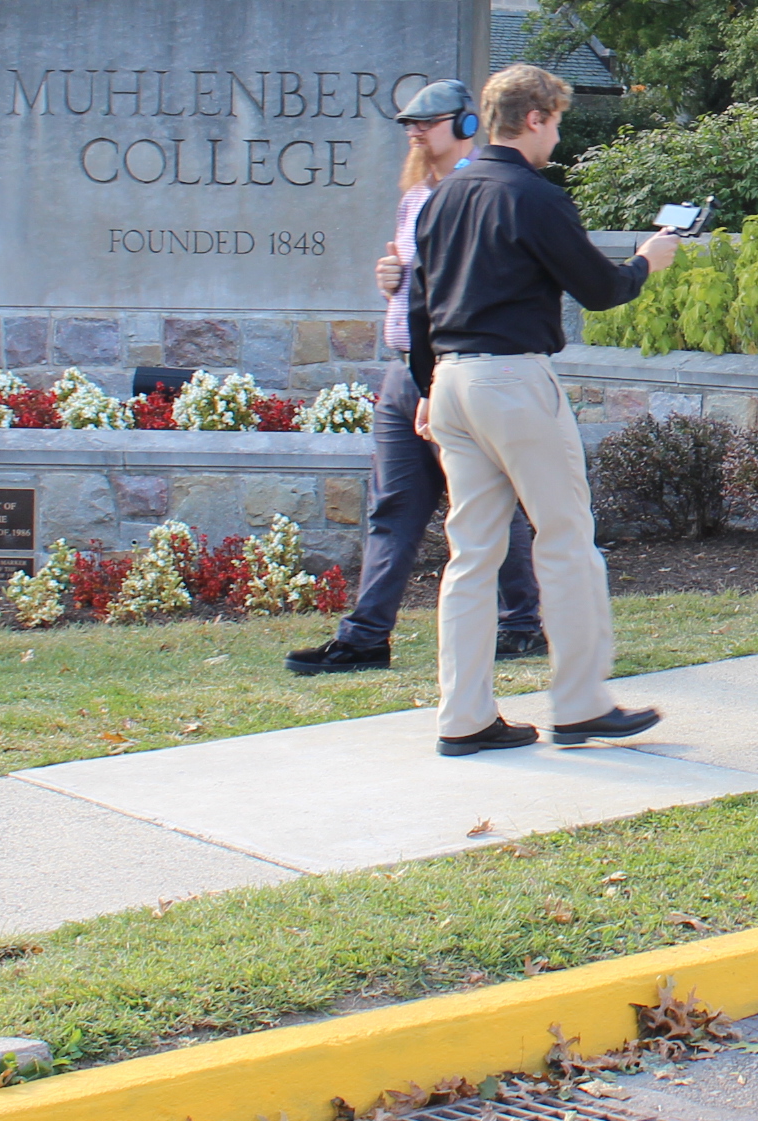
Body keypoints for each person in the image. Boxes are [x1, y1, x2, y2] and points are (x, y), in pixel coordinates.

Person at [408, 62, 680, 756]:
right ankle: (582, 701)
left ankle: (463, 716)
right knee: (564, 537)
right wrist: (649, 260)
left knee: (471, 552)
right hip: (513, 381)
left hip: (451, 383)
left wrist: (424, 391)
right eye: (555, 122)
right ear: (534, 118)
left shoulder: (443, 196)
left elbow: (418, 306)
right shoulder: (534, 196)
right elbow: (599, 289)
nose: (557, 137)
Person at [285, 79, 542, 679]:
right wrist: (390, 277)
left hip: (451, 373)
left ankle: (523, 625)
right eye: (409, 125)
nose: (414, 134)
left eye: (425, 123)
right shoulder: (413, 197)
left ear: (467, 125)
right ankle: (366, 637)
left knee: (485, 504)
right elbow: (416, 280)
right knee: (393, 508)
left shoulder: (482, 191)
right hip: (403, 372)